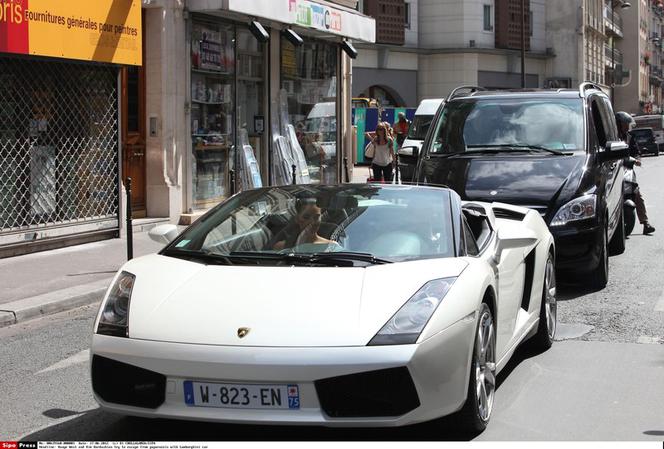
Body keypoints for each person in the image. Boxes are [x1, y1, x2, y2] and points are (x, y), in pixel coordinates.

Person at [615, 111, 656, 235]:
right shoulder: (611, 135)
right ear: (618, 123)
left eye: (628, 124)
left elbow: (636, 151)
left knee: (637, 193)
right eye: (625, 124)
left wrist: (637, 159)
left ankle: (645, 223)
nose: (627, 126)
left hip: (627, 169)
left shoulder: (629, 137)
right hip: (615, 170)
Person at [272, 196, 336, 250]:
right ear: (297, 219)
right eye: (306, 217)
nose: (312, 222)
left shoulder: (331, 247)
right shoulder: (281, 247)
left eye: (316, 217)